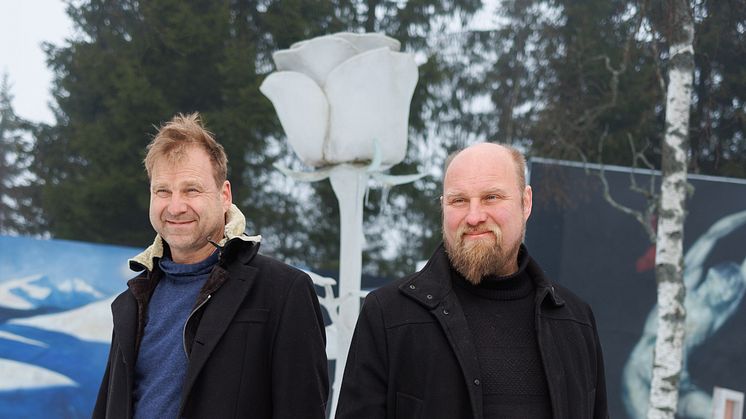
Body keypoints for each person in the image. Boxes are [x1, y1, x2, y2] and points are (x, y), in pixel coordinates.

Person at [335, 142, 608, 419]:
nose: (474, 216)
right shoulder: (389, 315)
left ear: (526, 202)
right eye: (459, 200)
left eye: (491, 197)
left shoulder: (575, 320)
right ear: (443, 207)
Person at [93, 113, 329, 418]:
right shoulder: (131, 303)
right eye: (163, 191)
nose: (176, 207)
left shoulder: (282, 292)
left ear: (224, 195)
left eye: (191, 190)